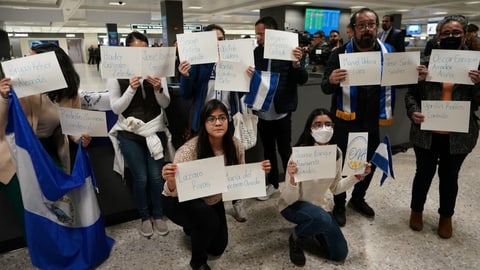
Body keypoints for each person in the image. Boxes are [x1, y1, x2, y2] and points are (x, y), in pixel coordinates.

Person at [161, 100, 271, 270]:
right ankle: (197, 262)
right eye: (211, 119)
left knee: (218, 247)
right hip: (179, 200)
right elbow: (173, 192)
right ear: (203, 123)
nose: (218, 122)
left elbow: (239, 180)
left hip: (212, 198)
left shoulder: (235, 145)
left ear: (228, 120)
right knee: (207, 219)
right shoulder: (188, 151)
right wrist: (171, 181)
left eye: (222, 117)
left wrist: (257, 174)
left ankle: (192, 226)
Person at [0, 43, 92, 237]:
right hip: (18, 154)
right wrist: (2, 97)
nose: (27, 63)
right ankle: (42, 249)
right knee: (29, 207)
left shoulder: (69, 93)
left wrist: (80, 137)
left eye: (34, 60)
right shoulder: (21, 88)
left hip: (47, 151)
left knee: (60, 202)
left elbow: (72, 126)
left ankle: (62, 246)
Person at [405, 15, 480, 239]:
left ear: (464, 35)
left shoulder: (475, 65)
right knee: (423, 174)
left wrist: (479, 85)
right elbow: (411, 95)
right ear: (438, 36)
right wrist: (413, 112)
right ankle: (416, 211)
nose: (450, 36)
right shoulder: (425, 63)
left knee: (450, 177)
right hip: (427, 131)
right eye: (445, 33)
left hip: (458, 134)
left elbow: (477, 102)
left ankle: (446, 216)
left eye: (456, 32)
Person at [321, 8, 396, 226]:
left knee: (367, 165)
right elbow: (326, 87)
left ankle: (358, 198)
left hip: (372, 121)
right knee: (343, 165)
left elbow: (399, 80)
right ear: (353, 29)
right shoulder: (339, 54)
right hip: (345, 121)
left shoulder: (388, 52)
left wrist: (415, 74)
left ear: (377, 27)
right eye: (361, 25)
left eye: (371, 24)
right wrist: (332, 80)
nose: (367, 29)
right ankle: (339, 203)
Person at [279, 108, 371, 267]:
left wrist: (356, 176)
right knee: (321, 218)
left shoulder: (336, 153)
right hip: (293, 205)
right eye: (318, 124)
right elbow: (288, 198)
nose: (324, 128)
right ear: (310, 129)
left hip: (320, 207)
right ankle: (296, 237)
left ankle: (313, 226)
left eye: (328, 124)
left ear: (333, 127)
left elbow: (335, 188)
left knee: (339, 253)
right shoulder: (299, 155)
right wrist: (293, 180)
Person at [177, 24, 248, 222]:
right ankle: (204, 204)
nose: (218, 43)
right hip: (204, 123)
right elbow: (185, 93)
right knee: (204, 163)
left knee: (231, 161)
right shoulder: (199, 63)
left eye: (221, 39)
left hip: (226, 121)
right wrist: (185, 76)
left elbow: (241, 93)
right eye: (213, 39)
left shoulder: (234, 62)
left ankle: (236, 202)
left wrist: (248, 78)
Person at [108, 31, 171, 238]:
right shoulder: (116, 72)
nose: (141, 56)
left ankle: (159, 214)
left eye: (144, 51)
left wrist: (158, 89)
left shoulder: (158, 70)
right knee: (141, 178)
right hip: (130, 132)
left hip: (155, 129)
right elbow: (116, 108)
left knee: (155, 177)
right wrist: (131, 89)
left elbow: (165, 103)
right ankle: (144, 217)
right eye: (136, 51)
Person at [249, 16, 308, 201]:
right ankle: (272, 184)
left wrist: (297, 64)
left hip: (282, 109)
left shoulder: (290, 52)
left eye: (261, 34)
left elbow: (302, 78)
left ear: (272, 33)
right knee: (268, 150)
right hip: (262, 110)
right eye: (256, 34)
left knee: (285, 149)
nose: (258, 38)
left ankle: (293, 184)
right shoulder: (256, 53)